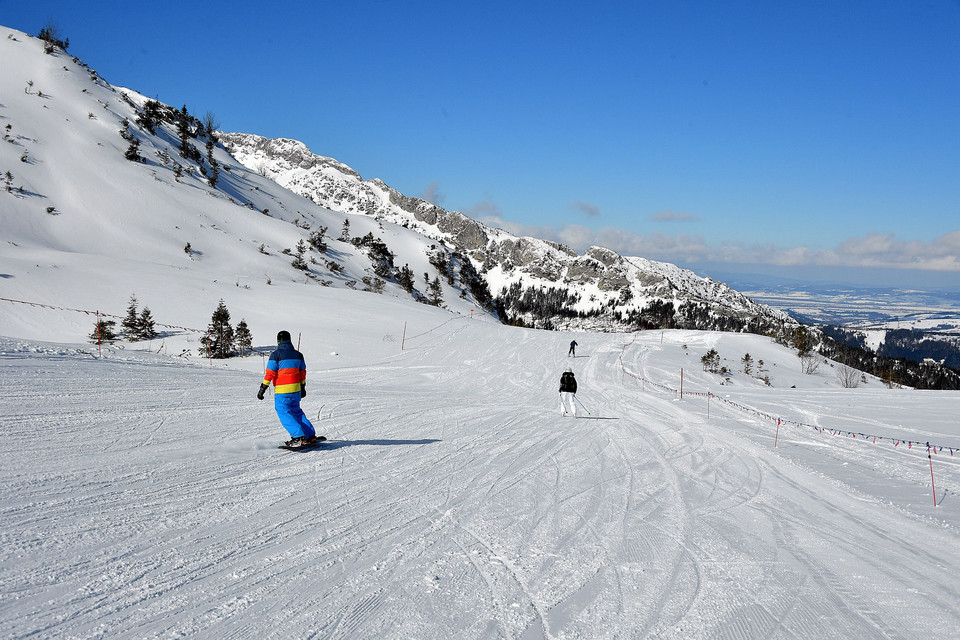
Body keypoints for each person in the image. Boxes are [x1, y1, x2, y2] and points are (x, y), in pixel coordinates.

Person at [258, 330, 318, 448]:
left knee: (283, 411)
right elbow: (302, 373)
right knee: (296, 411)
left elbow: (270, 373)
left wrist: (263, 388)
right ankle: (310, 435)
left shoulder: (276, 355)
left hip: (283, 390)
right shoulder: (298, 355)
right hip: (296, 390)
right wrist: (302, 387)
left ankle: (298, 437)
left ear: (278, 341)